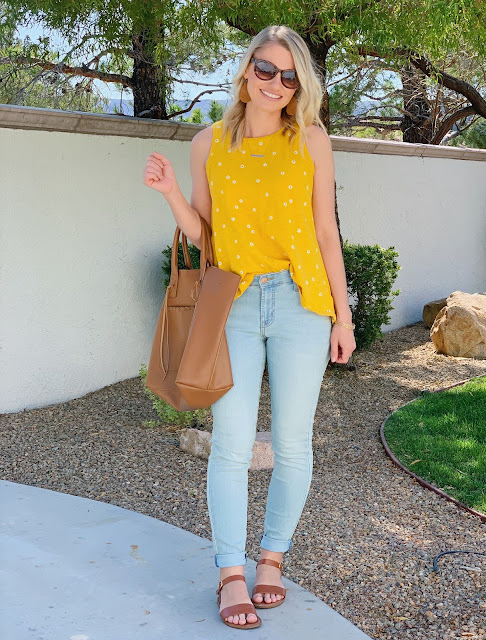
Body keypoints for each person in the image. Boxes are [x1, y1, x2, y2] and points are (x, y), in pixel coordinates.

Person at [143, 24, 356, 630]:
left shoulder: (311, 140)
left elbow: (325, 235)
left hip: (301, 303)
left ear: (301, 85)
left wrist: (344, 317)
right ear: (245, 71)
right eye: (266, 69)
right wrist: (169, 194)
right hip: (231, 300)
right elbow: (203, 236)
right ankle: (230, 570)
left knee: (293, 443)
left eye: (291, 76)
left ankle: (272, 559)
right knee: (232, 445)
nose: (277, 84)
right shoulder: (208, 141)